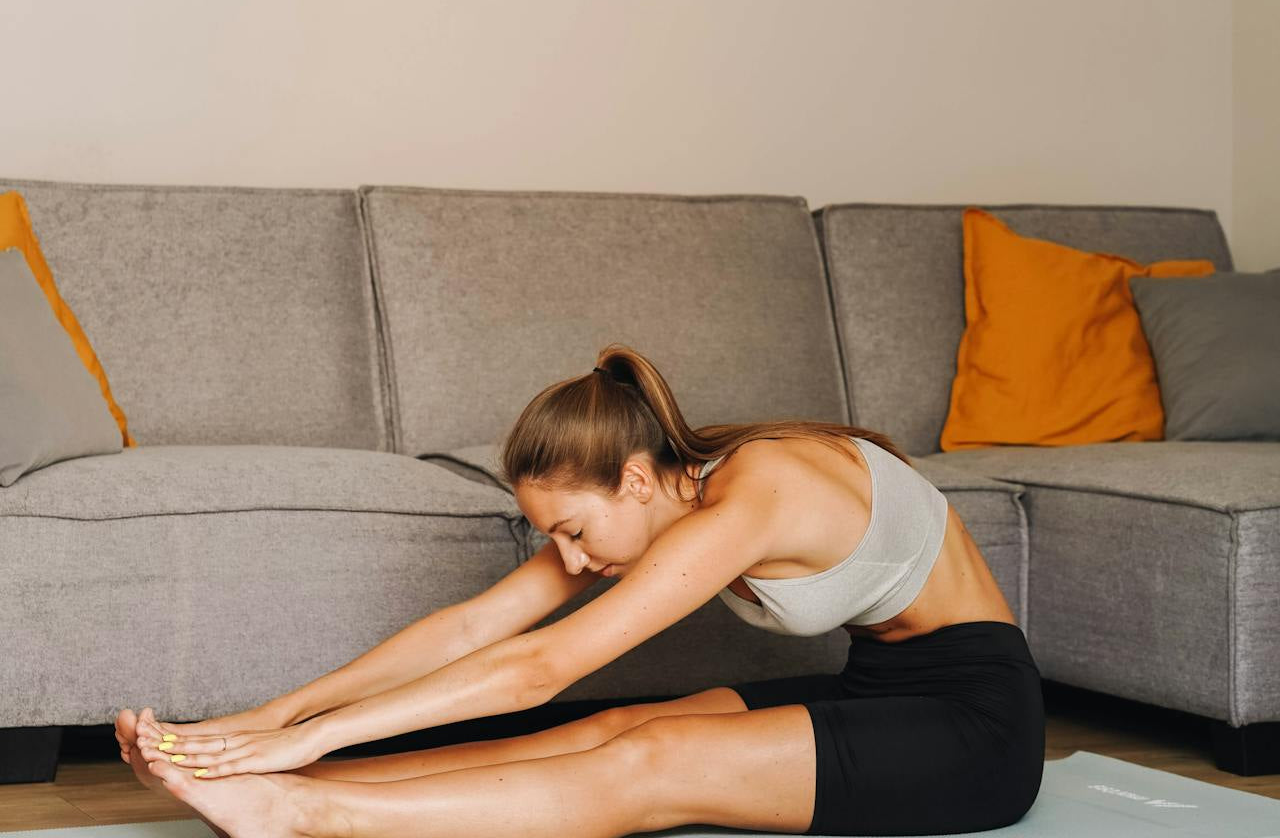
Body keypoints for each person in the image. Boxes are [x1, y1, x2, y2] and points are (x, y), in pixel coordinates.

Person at [119, 343, 1045, 838]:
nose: (567, 553)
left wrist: (309, 735)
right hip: (880, 693)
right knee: (607, 730)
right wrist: (275, 727)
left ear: (635, 481)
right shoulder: (663, 492)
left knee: (654, 764)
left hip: (976, 726)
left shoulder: (757, 490)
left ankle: (305, 817)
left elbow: (539, 665)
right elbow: (478, 625)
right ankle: (282, 788)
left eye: (572, 528)